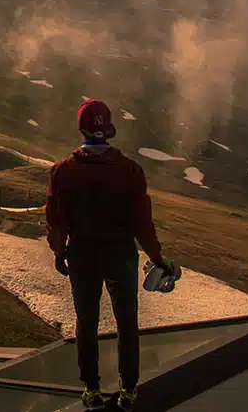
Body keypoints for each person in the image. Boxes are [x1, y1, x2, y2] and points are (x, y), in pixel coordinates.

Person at [46, 98, 171, 411]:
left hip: (83, 254)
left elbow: (56, 219)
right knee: (126, 321)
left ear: (82, 128)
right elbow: (143, 223)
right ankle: (128, 391)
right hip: (121, 254)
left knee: (86, 321)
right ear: (109, 128)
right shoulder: (130, 171)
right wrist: (158, 260)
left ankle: (91, 389)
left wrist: (59, 252)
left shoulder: (63, 171)